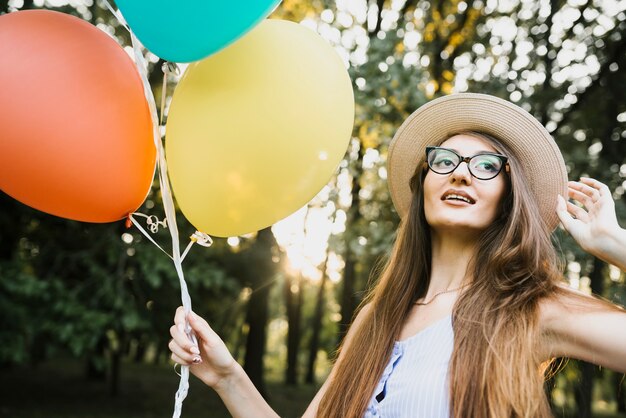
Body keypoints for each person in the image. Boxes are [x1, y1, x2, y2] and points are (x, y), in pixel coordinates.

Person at [168, 93, 626, 418]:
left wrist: (617, 248)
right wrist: (227, 377)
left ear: (509, 198)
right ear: (423, 185)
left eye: (487, 166)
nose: (461, 175)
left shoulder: (529, 308)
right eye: (444, 160)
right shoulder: (377, 319)